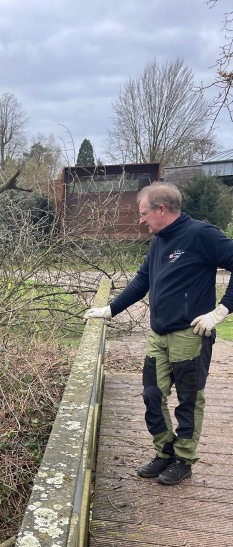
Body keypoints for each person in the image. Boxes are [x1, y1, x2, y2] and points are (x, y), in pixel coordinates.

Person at [84, 181, 233, 485]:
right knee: (153, 394)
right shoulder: (158, 242)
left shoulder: (201, 235)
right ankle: (164, 452)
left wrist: (222, 311)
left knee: (189, 399)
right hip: (158, 334)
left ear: (161, 209)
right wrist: (110, 310)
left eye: (143, 213)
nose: (141, 220)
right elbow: (142, 282)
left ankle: (183, 459)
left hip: (190, 334)